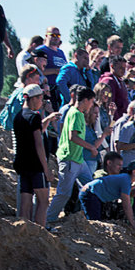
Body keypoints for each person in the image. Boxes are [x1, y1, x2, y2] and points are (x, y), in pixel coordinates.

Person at [46, 85, 98, 228]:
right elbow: (72, 137)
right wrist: (91, 147)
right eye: (92, 101)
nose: (92, 105)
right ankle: (47, 219)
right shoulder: (75, 113)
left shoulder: (78, 114)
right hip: (69, 158)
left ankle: (87, 216)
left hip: (78, 159)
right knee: (64, 193)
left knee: (90, 186)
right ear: (86, 100)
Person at [12, 83, 55, 224]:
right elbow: (38, 143)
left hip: (22, 163)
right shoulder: (34, 117)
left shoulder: (18, 116)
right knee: (43, 202)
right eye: (40, 99)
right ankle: (39, 234)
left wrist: (47, 120)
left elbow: (31, 134)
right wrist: (46, 169)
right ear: (33, 98)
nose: (41, 102)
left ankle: (23, 232)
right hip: (35, 165)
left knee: (26, 201)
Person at [79, 156, 135, 226]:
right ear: (134, 172)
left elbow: (130, 195)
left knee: (97, 221)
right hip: (91, 193)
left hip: (94, 194)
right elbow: (126, 204)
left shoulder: (126, 179)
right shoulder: (125, 180)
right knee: (95, 222)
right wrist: (133, 224)